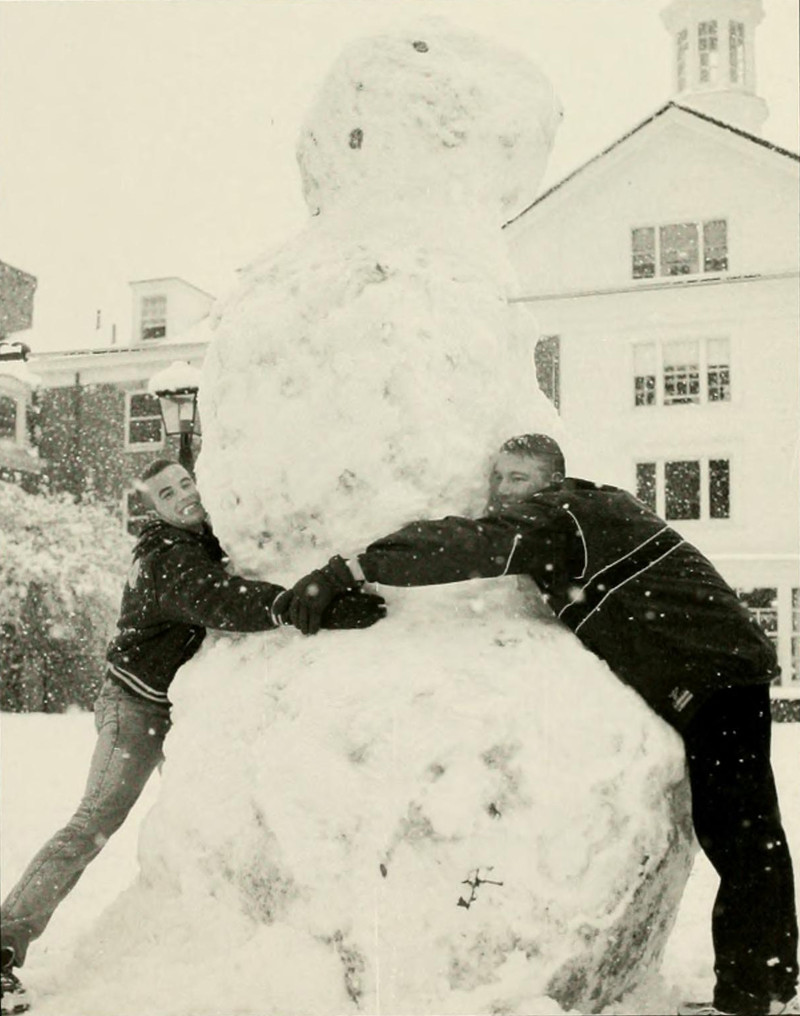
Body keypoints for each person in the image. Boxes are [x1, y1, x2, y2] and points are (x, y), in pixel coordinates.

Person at [287, 433, 799, 1016]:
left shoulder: (562, 516)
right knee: (746, 835)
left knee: (742, 837)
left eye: (518, 478)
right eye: (498, 477)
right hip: (718, 668)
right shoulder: (589, 510)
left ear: (551, 481)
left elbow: (468, 545)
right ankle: (765, 987)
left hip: (715, 672)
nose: (502, 491)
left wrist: (351, 567)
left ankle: (757, 996)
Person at [0, 459, 384, 1014]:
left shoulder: (204, 538)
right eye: (167, 493)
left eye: (186, 483)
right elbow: (222, 599)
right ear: (153, 511)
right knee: (92, 825)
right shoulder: (167, 556)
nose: (184, 495)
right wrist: (308, 607)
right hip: (133, 707)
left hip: (179, 708)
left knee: (201, 824)